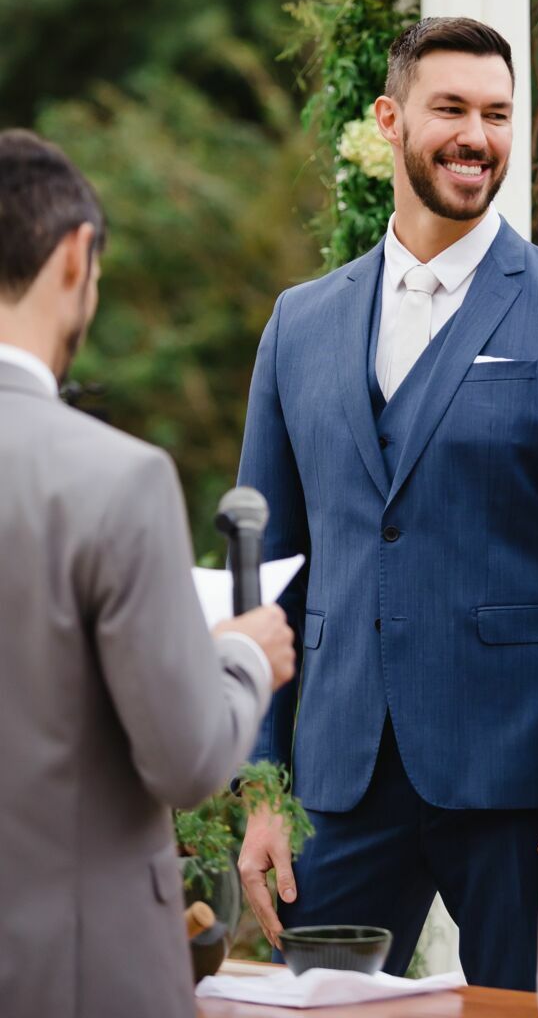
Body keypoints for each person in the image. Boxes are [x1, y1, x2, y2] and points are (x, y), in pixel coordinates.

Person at [236, 16, 538, 988]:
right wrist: (260, 784)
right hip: (336, 776)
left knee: (531, 1014)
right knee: (306, 1014)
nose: (477, 135)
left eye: (497, 114)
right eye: (451, 109)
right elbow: (266, 566)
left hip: (515, 785)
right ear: (389, 118)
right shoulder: (300, 323)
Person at [0, 129, 297, 1018]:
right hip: (75, 972)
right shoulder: (116, 479)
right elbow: (184, 757)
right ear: (75, 255)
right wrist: (242, 658)